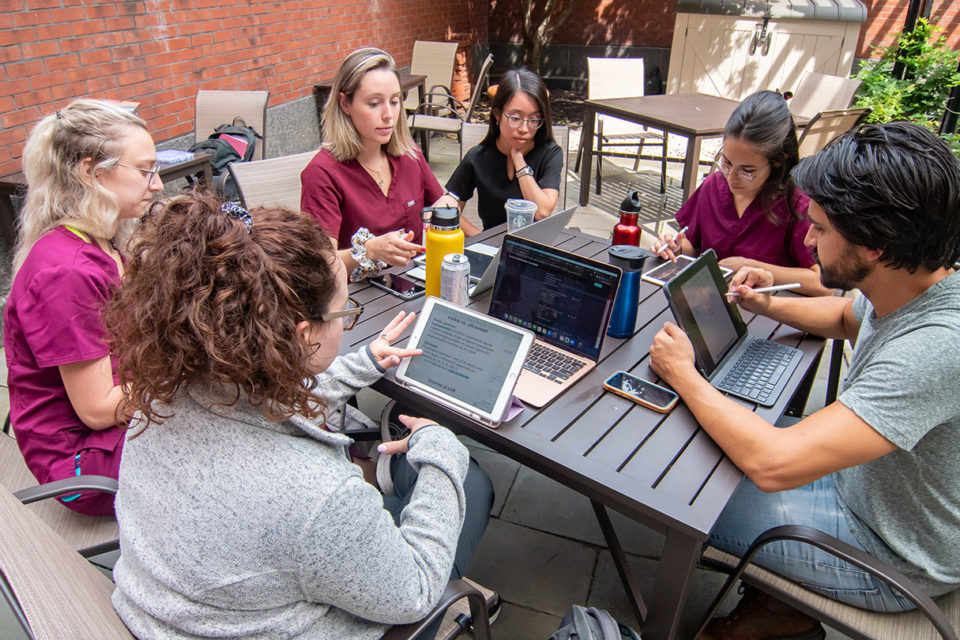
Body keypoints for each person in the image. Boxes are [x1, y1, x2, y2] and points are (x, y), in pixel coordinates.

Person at [106, 193, 494, 639]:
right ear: (303, 334)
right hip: (298, 603)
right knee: (470, 483)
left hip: (177, 608)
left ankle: (400, 482)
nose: (346, 324)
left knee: (410, 491)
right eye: (345, 313)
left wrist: (361, 361)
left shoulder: (162, 399)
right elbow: (415, 593)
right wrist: (444, 448)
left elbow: (254, 400)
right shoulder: (315, 496)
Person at [648, 122, 960, 639]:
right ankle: (779, 610)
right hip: (865, 488)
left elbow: (773, 463)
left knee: (678, 488)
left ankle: (766, 611)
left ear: (876, 245)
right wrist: (765, 300)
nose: (808, 240)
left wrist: (684, 374)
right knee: (710, 446)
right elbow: (844, 317)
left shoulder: (934, 347)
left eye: (819, 227)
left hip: (892, 557)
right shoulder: (916, 284)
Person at [2, 99, 163, 516]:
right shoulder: (66, 270)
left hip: (112, 435)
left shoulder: (99, 243)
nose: (158, 183)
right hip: (85, 466)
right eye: (145, 170)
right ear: (90, 172)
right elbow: (97, 409)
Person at [301, 47, 458, 282]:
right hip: (358, 301)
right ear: (345, 104)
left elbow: (440, 202)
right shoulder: (322, 173)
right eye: (374, 103)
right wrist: (368, 252)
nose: (389, 115)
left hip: (411, 287)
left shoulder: (409, 155)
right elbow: (321, 265)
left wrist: (446, 205)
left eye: (395, 102)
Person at [653, 90, 832, 297]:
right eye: (726, 163)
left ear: (777, 161)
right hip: (709, 303)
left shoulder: (798, 204)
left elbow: (823, 283)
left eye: (747, 171)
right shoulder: (713, 186)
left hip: (770, 315)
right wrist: (674, 248)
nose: (731, 178)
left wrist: (752, 266)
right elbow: (693, 246)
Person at [445, 67, 563, 235]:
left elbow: (542, 212)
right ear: (497, 115)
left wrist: (518, 159)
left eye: (534, 119)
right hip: (491, 251)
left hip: (534, 249)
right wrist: (482, 238)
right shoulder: (478, 157)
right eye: (515, 118)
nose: (524, 128)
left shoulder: (550, 153)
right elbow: (448, 207)